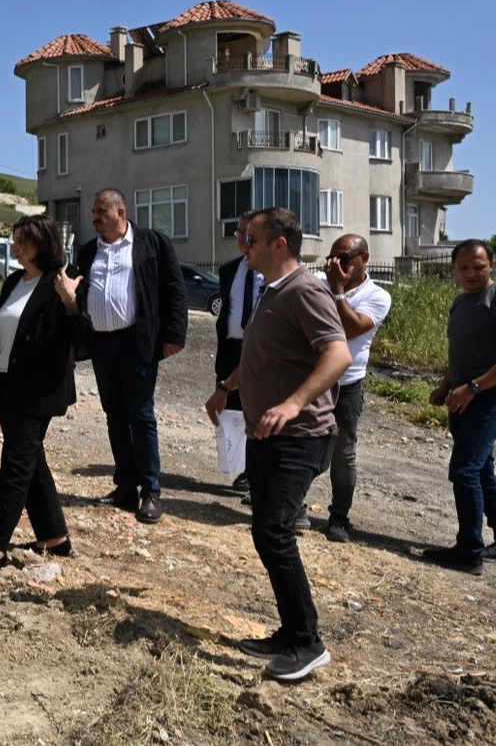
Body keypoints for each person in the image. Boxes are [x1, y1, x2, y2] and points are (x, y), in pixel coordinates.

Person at [206, 207, 350, 681]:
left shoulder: (306, 290)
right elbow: (260, 355)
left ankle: (308, 643)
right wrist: (227, 387)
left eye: (251, 239)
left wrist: (292, 403)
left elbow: (338, 354)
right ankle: (291, 633)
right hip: (267, 433)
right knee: (266, 530)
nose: (243, 246)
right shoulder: (272, 290)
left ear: (279, 244)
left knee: (274, 531)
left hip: (300, 435)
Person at [0, 214, 91, 570]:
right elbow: (5, 323)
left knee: (15, 466)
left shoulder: (60, 282)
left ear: (42, 243)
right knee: (31, 461)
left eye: (23, 241)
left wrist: (70, 303)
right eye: (15, 239)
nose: (15, 246)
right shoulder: (15, 280)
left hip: (39, 390)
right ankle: (54, 537)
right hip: (7, 384)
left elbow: (82, 339)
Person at [75, 188, 187, 523]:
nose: (95, 218)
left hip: (137, 342)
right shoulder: (88, 251)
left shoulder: (152, 243)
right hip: (101, 343)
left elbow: (174, 289)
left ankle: (150, 491)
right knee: (114, 415)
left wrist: (174, 335)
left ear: (120, 213)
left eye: (101, 211)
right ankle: (125, 486)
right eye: (93, 212)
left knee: (141, 415)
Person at [309, 233, 392, 543]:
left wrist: (338, 290)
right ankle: (293, 506)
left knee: (343, 454)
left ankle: (339, 518)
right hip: (312, 379)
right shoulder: (318, 282)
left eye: (343, 258)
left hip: (347, 383)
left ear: (364, 259)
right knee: (301, 443)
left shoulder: (377, 296)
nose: (336, 264)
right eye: (332, 258)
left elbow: (351, 327)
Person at [423, 239, 496, 575]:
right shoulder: (461, 302)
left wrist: (474, 388)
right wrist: (446, 385)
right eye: (464, 267)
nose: (470, 273)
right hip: (461, 399)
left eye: (478, 267)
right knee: (480, 471)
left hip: (485, 400)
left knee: (465, 470)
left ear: (491, 265)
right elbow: (460, 352)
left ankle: (469, 551)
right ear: (454, 268)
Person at [214, 213, 265, 495]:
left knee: (256, 411)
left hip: (259, 352)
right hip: (231, 350)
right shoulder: (229, 270)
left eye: (248, 234)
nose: (243, 240)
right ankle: (240, 466)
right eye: (239, 234)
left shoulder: (270, 272)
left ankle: (254, 473)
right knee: (231, 411)